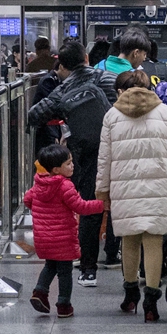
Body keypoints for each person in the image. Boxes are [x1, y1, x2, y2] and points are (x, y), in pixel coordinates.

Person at [95, 70, 167, 322]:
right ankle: (151, 303)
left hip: (124, 188)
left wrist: (103, 190)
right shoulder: (166, 113)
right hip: (160, 187)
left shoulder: (112, 116)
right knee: (154, 241)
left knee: (129, 239)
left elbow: (104, 158)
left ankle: (130, 295)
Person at [27, 40, 119, 286]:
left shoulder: (62, 90)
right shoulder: (109, 78)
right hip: (118, 149)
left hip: (86, 154)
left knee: (90, 206)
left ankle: (88, 270)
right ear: (86, 58)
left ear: (62, 66)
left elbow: (34, 115)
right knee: (121, 203)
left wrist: (63, 113)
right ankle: (119, 257)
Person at [24, 144, 104, 318]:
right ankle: (63, 305)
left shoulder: (38, 183)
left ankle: (40, 292)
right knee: (65, 272)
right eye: (68, 163)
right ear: (56, 169)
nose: (72, 165)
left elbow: (27, 200)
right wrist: (101, 205)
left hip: (43, 237)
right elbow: (80, 207)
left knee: (50, 265)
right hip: (63, 238)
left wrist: (42, 213)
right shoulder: (64, 185)